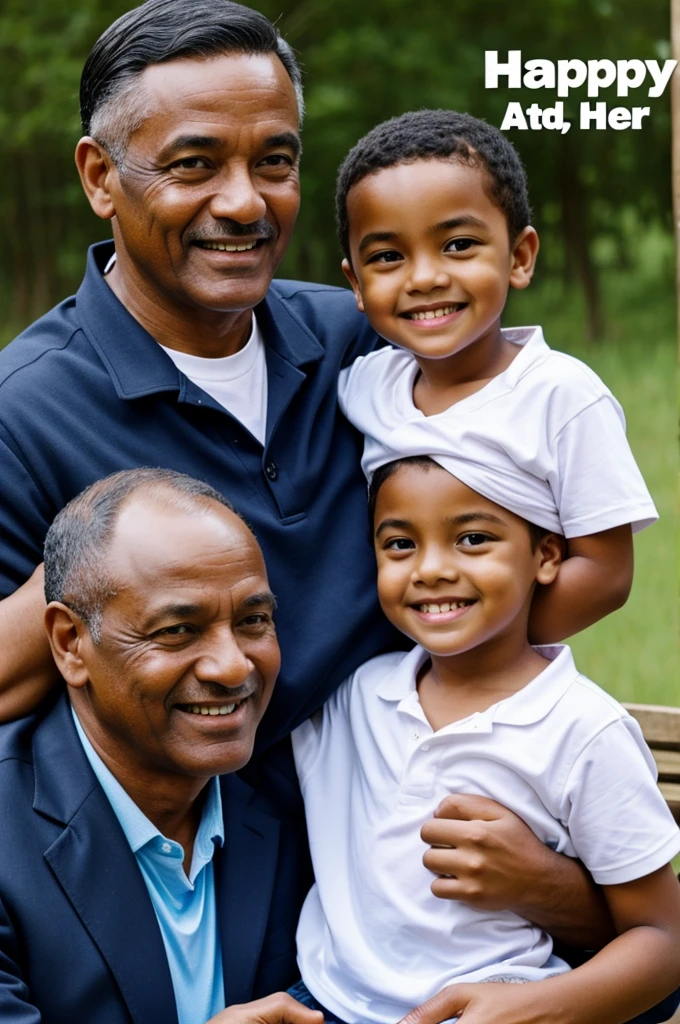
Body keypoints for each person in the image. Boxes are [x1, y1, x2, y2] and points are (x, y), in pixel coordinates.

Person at [0, 0, 618, 968]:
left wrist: (545, 880)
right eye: (195, 164)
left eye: (275, 162)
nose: (245, 202)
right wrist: (125, 544)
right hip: (205, 921)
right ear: (99, 178)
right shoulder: (27, 413)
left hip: (436, 879)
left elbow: (523, 569)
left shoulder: (364, 350)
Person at [290, 457, 680, 1024]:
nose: (430, 569)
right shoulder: (356, 695)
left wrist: (532, 1010)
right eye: (399, 544)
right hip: (328, 1003)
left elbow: (663, 937)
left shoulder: (581, 730)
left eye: (472, 539)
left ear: (545, 556)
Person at [0, 467, 323, 1024]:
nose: (232, 666)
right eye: (177, 630)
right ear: (69, 642)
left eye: (254, 621)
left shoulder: (298, 793)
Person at [336, 109, 658, 643]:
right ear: (357, 284)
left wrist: (479, 658)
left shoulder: (561, 396)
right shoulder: (362, 387)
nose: (425, 277)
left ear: (520, 256)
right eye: (389, 256)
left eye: (458, 245)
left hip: (511, 683)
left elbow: (605, 574)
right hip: (402, 679)